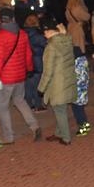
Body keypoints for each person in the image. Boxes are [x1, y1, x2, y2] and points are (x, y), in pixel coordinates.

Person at [0, 9, 41, 145]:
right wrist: (29, 69)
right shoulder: (22, 34)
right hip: (20, 75)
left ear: (0, 20)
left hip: (6, 77)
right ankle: (34, 125)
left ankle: (9, 137)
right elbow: (28, 54)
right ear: (13, 19)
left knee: (2, 106)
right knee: (20, 100)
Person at [38, 18, 76, 146]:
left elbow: (48, 71)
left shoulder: (51, 47)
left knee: (59, 110)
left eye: (44, 32)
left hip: (57, 83)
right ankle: (59, 133)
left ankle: (66, 137)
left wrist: (41, 88)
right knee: (62, 108)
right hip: (67, 79)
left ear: (49, 31)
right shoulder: (67, 40)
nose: (44, 35)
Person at [23, 14, 47, 112]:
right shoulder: (38, 36)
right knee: (38, 84)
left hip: (25, 62)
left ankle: (29, 104)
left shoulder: (22, 34)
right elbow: (46, 46)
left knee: (28, 84)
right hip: (37, 62)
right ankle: (38, 105)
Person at [71, 35, 91, 137]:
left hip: (77, 89)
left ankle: (83, 126)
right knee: (81, 108)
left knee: (77, 109)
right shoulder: (83, 60)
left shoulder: (75, 63)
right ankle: (85, 124)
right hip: (83, 87)